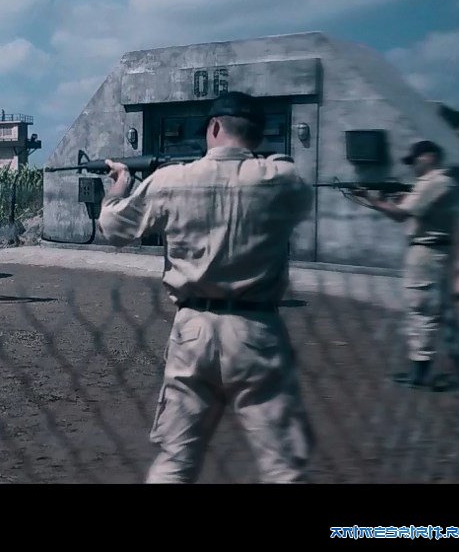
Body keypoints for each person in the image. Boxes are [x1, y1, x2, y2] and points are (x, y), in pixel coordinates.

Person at [97, 91, 315, 483]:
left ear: (214, 127)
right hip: (258, 328)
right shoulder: (282, 179)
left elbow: (114, 229)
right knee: (284, 466)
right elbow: (297, 195)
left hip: (193, 328)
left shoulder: (171, 181)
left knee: (176, 460)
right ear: (257, 134)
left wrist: (119, 188)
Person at [349, 140, 458, 389]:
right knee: (423, 309)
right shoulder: (434, 184)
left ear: (429, 156)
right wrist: (393, 199)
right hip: (431, 251)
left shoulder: (434, 182)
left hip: (428, 252)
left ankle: (420, 373)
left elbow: (401, 214)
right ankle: (419, 369)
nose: (412, 166)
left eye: (415, 160)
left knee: (421, 309)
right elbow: (405, 213)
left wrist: (370, 198)